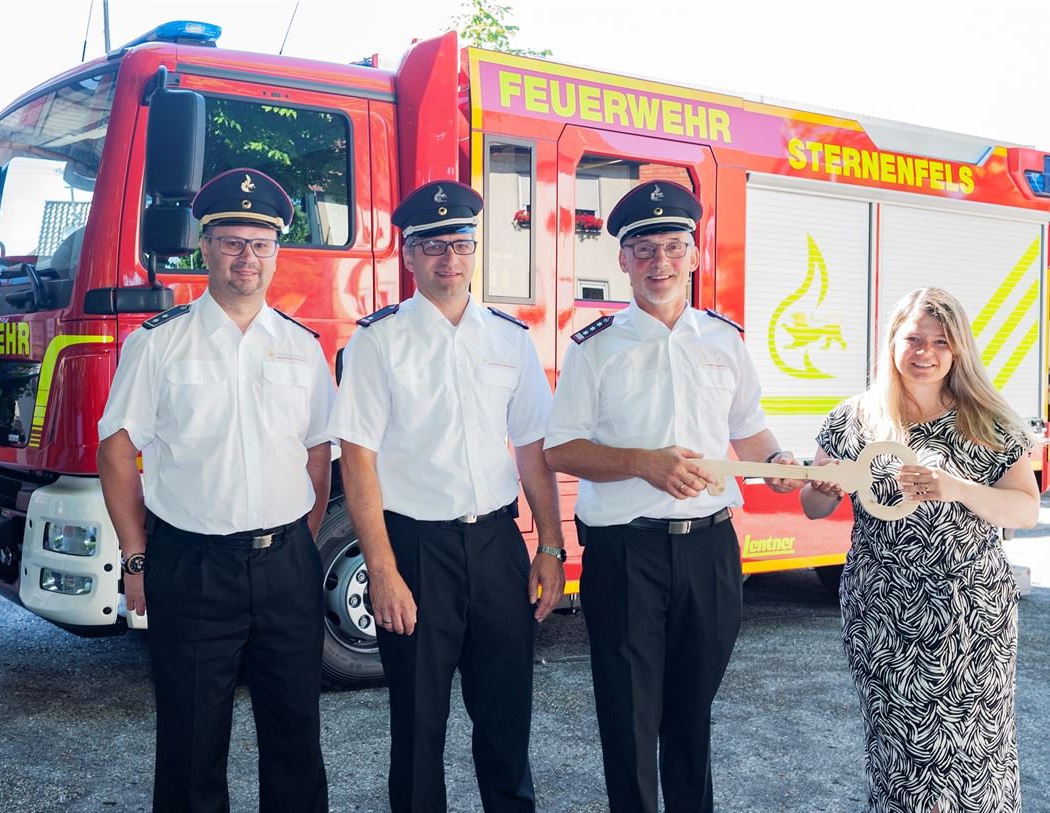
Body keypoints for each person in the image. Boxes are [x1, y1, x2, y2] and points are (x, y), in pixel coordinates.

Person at [543, 180, 800, 813]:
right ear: (624, 261)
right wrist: (642, 465)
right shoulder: (594, 348)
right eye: (645, 249)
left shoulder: (724, 340)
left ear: (694, 254)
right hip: (626, 553)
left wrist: (777, 461)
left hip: (711, 547)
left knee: (693, 709)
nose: (661, 262)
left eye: (673, 247)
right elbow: (560, 449)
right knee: (629, 715)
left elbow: (748, 429)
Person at [96, 168, 333, 813]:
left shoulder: (303, 348)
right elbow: (117, 449)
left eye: (259, 244)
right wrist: (138, 557)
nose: (246, 256)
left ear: (278, 251)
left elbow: (318, 453)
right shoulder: (158, 343)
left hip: (285, 563)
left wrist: (298, 544)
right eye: (231, 241)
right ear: (204, 247)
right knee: (192, 742)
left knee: (295, 739)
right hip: (193, 565)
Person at [328, 180, 565, 813]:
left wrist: (551, 547)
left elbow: (533, 449)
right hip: (416, 549)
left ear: (475, 250)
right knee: (417, 727)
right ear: (408, 256)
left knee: (507, 722)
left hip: (496, 545)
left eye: (461, 244)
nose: (449, 260)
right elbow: (357, 458)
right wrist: (381, 570)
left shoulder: (510, 340)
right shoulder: (378, 342)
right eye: (433, 247)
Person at [800, 287, 1039, 813]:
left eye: (940, 342)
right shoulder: (854, 418)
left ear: (958, 351)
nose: (925, 352)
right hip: (883, 613)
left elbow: (1025, 510)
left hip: (972, 618)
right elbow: (812, 507)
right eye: (913, 339)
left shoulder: (988, 419)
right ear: (892, 343)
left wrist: (957, 487)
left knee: (978, 750)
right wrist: (821, 489)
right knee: (898, 755)